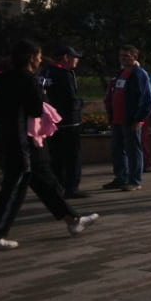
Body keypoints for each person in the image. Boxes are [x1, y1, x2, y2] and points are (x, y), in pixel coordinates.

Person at [0, 40, 98, 251]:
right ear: (32, 58)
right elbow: (34, 109)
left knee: (46, 184)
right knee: (13, 189)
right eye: (39, 57)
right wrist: (43, 98)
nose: (41, 61)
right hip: (23, 142)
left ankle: (73, 220)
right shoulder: (28, 80)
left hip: (17, 141)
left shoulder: (3, 80)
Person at [101, 45, 151, 192]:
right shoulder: (121, 74)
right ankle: (121, 178)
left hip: (131, 120)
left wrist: (139, 119)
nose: (122, 58)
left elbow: (147, 99)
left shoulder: (139, 74)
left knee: (133, 150)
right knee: (117, 150)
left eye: (126, 56)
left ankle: (135, 181)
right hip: (117, 120)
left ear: (134, 57)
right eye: (121, 56)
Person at [39, 44, 85, 197]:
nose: (77, 60)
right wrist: (80, 104)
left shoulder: (44, 72)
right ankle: (72, 188)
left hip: (50, 122)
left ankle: (58, 186)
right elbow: (70, 99)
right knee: (72, 155)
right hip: (69, 121)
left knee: (56, 156)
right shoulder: (64, 74)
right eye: (74, 57)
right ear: (66, 58)